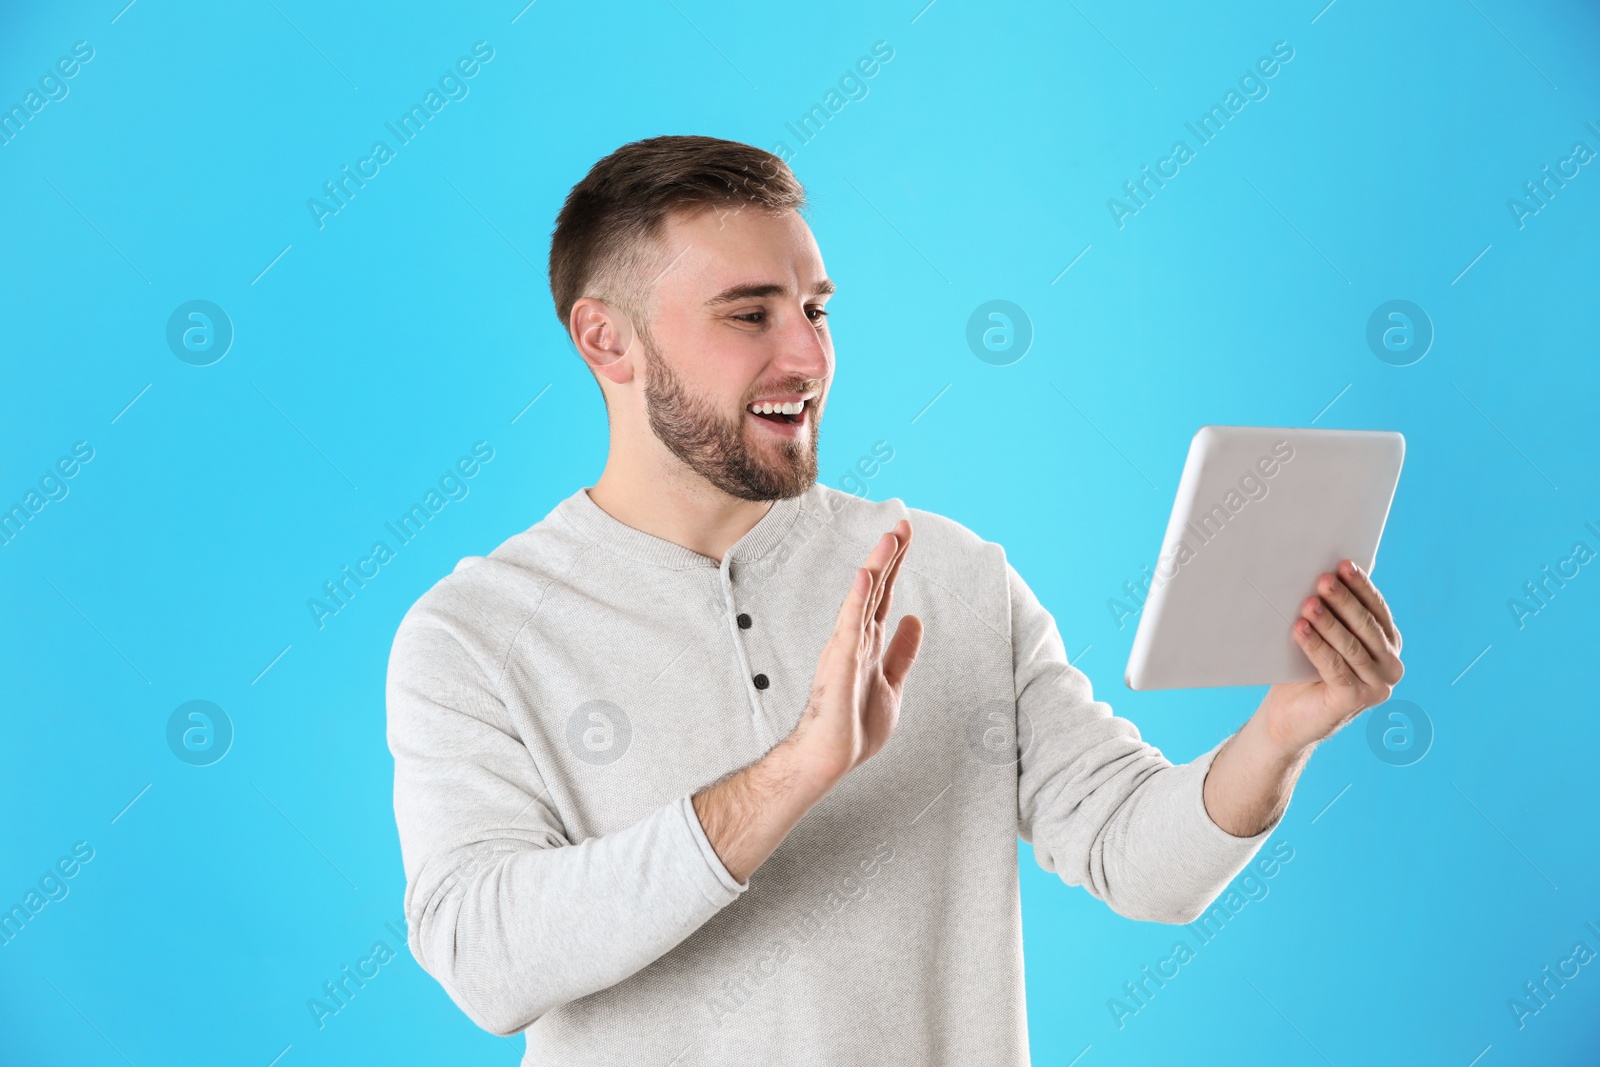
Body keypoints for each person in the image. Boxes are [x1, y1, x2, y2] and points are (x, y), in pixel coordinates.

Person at [385, 134, 1405, 1065]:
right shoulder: (476, 633)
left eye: (816, 309)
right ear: (607, 342)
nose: (807, 357)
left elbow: (1140, 860)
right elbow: (486, 957)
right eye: (750, 314)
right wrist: (794, 771)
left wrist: (1281, 730)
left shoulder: (949, 571)